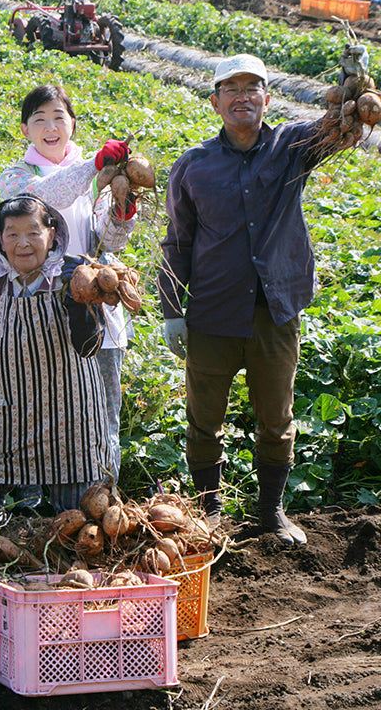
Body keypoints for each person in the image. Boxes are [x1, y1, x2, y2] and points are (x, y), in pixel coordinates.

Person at [158, 51, 369, 546]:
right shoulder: (193, 166)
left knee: (276, 419)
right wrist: (172, 311)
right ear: (214, 102)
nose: (242, 97)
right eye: (231, 89)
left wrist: (351, 83)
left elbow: (337, 127)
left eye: (252, 87)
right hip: (212, 313)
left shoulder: (292, 145)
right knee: (204, 421)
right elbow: (178, 242)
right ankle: (207, 513)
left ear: (266, 99)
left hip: (275, 314)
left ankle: (270, 513)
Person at [0, 84, 133, 504]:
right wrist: (94, 166)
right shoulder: (17, 176)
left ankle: (100, 499)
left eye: (59, 117)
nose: (51, 127)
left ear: (72, 123)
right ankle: (33, 506)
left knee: (100, 411)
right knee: (38, 406)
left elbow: (108, 240)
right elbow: (45, 197)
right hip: (40, 311)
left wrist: (122, 211)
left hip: (95, 307)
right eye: (39, 119)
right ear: (25, 130)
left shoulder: (99, 177)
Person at [0, 195, 110, 522]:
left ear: (51, 235)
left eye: (33, 233)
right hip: (7, 417)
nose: (23, 243)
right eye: (12, 234)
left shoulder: (75, 277)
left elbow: (89, 345)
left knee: (80, 521)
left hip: (71, 421)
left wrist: (79, 301)